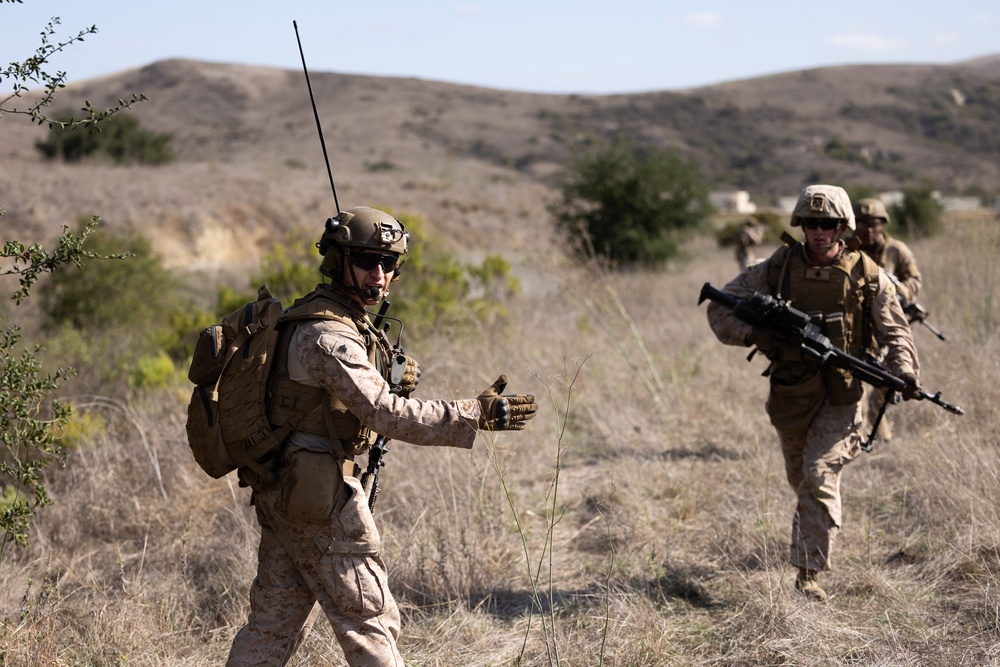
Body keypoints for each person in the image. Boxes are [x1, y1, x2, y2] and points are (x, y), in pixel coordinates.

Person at [226, 206, 538, 666]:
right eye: (366, 261)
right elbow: (387, 414)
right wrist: (475, 413)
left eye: (388, 263)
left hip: (288, 490)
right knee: (370, 620)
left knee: (272, 626)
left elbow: (328, 404)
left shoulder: (321, 318)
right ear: (337, 261)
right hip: (317, 497)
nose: (378, 274)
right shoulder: (328, 335)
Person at [705, 184, 920, 602]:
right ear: (800, 225)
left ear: (843, 226)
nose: (819, 231)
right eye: (811, 223)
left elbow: (895, 330)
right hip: (790, 392)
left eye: (828, 224)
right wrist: (756, 334)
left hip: (842, 395)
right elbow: (719, 307)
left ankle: (807, 575)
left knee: (819, 474)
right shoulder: (778, 268)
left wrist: (905, 371)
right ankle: (814, 531)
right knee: (801, 477)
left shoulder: (867, 273)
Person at [853, 197, 924, 439]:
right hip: (855, 325)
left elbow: (915, 279)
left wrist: (901, 292)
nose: (868, 230)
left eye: (873, 224)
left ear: (882, 224)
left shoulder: (896, 250)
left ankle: (876, 416)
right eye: (862, 223)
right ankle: (857, 429)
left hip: (886, 322)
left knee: (889, 377)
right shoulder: (846, 251)